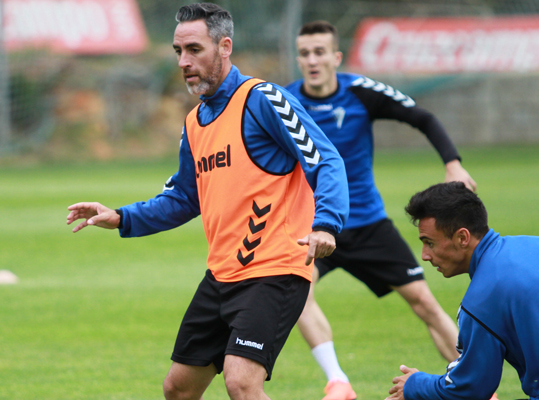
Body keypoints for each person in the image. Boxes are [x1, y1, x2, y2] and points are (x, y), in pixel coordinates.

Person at [67, 4, 349, 400]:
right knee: (178, 388)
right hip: (221, 276)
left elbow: (324, 158)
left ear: (224, 46)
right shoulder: (194, 122)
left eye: (194, 49)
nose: (184, 61)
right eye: (178, 51)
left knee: (241, 382)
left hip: (273, 270)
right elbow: (183, 196)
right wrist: (121, 217)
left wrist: (326, 223)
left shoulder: (263, 99)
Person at [285, 21, 476, 400]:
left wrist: (453, 163)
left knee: (424, 302)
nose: (312, 60)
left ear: (335, 57)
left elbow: (422, 117)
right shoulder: (284, 101)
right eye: (305, 53)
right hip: (318, 227)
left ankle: (476, 384)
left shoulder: (361, 91)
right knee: (294, 295)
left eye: (320, 52)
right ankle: (338, 381)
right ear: (298, 59)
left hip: (369, 224)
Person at [385, 181, 539, 400]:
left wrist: (414, 385)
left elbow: (469, 387)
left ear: (462, 238)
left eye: (429, 243)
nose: (424, 255)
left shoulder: (482, 298)